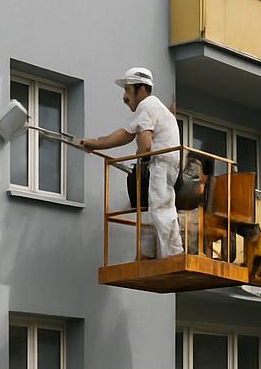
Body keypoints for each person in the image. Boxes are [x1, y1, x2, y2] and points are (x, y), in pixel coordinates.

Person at [78, 67, 183, 259]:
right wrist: (95, 143)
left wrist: (139, 158)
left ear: (140, 90)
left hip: (161, 163)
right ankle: (151, 253)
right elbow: (125, 134)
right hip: (165, 163)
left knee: (161, 208)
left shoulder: (148, 106)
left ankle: (173, 256)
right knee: (155, 207)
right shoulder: (153, 108)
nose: (125, 98)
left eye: (127, 91)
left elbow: (145, 143)